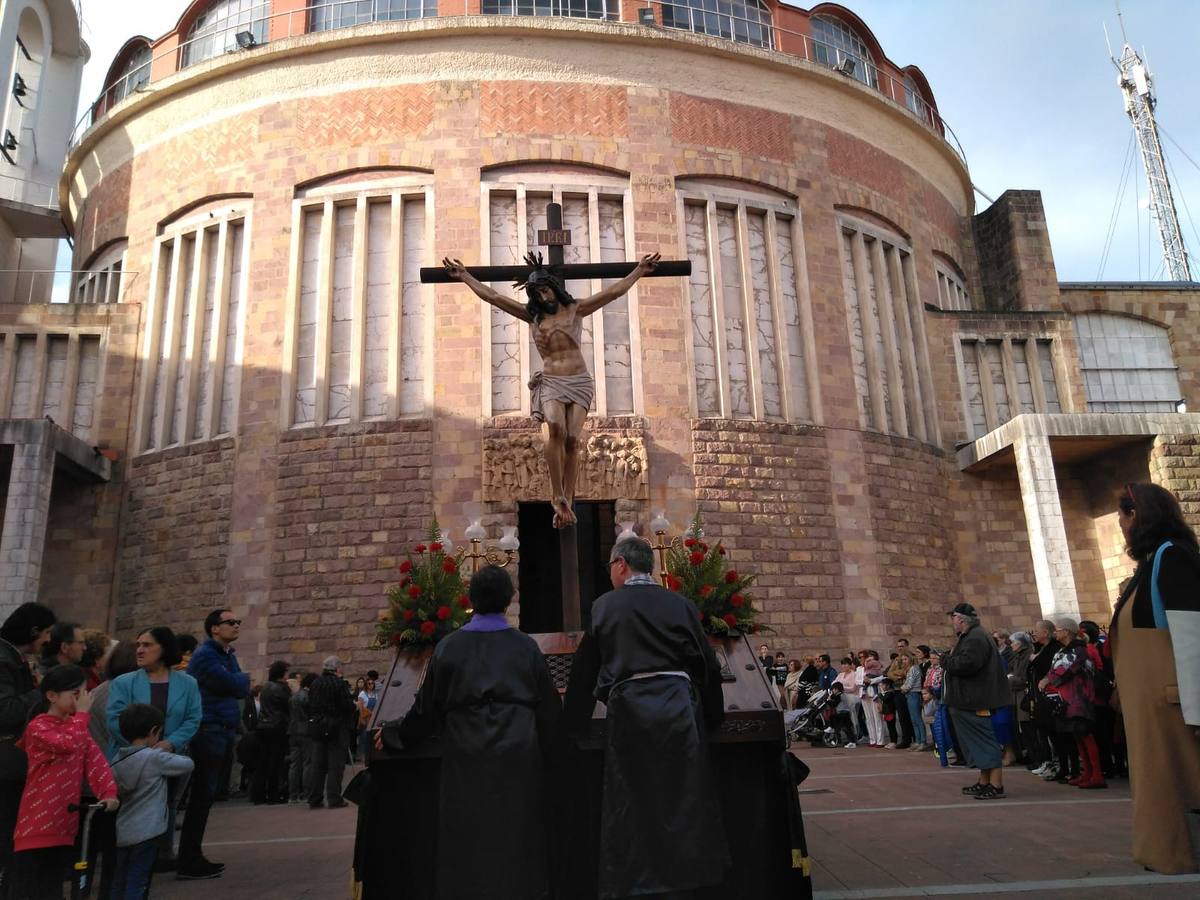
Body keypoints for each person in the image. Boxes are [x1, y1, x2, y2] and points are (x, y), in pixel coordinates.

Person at [377, 565, 563, 899]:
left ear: (471, 600)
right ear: (509, 600)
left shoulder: (449, 647)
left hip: (467, 760)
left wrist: (393, 734)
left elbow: (425, 711)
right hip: (518, 759)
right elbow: (549, 712)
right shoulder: (526, 648)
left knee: (468, 843)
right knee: (518, 840)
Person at [443, 251, 659, 527]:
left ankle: (568, 495)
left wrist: (639, 270)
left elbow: (614, 292)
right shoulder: (532, 317)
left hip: (579, 379)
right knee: (555, 429)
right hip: (553, 381)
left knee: (571, 440)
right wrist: (464, 276)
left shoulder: (575, 309)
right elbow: (493, 297)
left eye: (545, 289)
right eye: (537, 292)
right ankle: (556, 494)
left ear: (554, 288)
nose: (543, 296)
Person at [564, 536, 728, 899]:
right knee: (683, 797)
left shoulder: (605, 607)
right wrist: (713, 717)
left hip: (631, 712)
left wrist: (572, 725)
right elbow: (706, 665)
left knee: (633, 802)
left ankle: (638, 883)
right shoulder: (680, 604)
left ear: (621, 564)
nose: (610, 574)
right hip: (679, 710)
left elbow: (585, 669)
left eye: (610, 567)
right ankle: (689, 879)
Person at [1109, 482, 1200, 874]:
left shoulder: (1172, 558)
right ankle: (1163, 851)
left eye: (1124, 517)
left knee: (1177, 781)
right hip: (1151, 702)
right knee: (1157, 782)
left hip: (1171, 699)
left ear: (1139, 516)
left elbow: (1191, 633)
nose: (1121, 525)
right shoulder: (1149, 564)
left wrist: (1195, 705)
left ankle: (1176, 852)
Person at [8, 665, 118, 900]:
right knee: (27, 888)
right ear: (52, 696)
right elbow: (67, 745)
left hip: (64, 822)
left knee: (53, 885)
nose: (81, 703)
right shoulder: (38, 727)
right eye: (75, 695)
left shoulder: (76, 727)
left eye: (83, 695)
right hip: (36, 824)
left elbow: (96, 762)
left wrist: (108, 792)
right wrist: (82, 717)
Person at [178, 608, 249, 880]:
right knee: (201, 797)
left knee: (206, 797)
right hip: (209, 730)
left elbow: (237, 684)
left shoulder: (226, 654)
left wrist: (238, 682)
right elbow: (237, 684)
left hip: (221, 729)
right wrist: (240, 681)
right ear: (214, 628)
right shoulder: (207, 655)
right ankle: (189, 859)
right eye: (230, 622)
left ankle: (192, 856)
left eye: (238, 621)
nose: (236, 625)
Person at [110, 703, 195, 900]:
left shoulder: (116, 760)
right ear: (153, 731)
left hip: (124, 829)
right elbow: (187, 764)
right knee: (139, 880)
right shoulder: (153, 758)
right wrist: (162, 750)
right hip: (149, 829)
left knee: (121, 879)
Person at [0, 601, 56, 892]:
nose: (47, 640)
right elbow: (6, 711)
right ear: (33, 630)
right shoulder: (3, 658)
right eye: (46, 633)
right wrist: (40, 692)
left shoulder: (11, 656)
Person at [942, 603, 1010, 799]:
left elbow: (968, 664)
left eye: (953, 617)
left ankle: (996, 786)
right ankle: (984, 781)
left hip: (975, 699)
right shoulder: (973, 636)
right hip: (969, 699)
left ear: (961, 619)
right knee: (977, 742)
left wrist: (945, 661)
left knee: (984, 740)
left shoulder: (976, 637)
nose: (952, 622)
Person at [1040, 617, 1105, 790]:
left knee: (1085, 734)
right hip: (1068, 699)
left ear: (1067, 632)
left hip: (1079, 698)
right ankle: (1086, 773)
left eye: (1058, 630)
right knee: (1077, 735)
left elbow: (1062, 669)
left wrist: (1047, 679)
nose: (1056, 633)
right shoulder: (1066, 649)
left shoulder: (1078, 649)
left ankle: (1096, 774)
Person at [306, 657, 354, 809]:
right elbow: (346, 705)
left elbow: (310, 704)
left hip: (318, 727)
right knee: (335, 765)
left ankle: (314, 798)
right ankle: (334, 798)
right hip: (336, 727)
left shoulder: (315, 683)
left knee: (318, 765)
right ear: (337, 668)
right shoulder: (339, 684)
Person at [252, 661, 291, 805]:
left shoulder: (266, 687)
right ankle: (273, 794)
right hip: (277, 727)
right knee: (276, 763)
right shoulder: (282, 688)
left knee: (263, 762)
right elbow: (288, 706)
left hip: (263, 726)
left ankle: (258, 794)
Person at [288, 673, 316, 803]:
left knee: (294, 764)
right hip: (306, 731)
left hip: (293, 731)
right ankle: (306, 793)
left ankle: (293, 794)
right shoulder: (308, 697)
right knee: (307, 763)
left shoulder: (294, 697)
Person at [1007, 632, 1033, 766]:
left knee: (1028, 728)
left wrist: (1010, 679)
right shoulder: (1017, 656)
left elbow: (1022, 677)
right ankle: (1027, 755)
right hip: (1016, 694)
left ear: (1020, 643)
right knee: (1021, 727)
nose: (1011, 645)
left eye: (1013, 642)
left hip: (1023, 694)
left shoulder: (1026, 655)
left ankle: (1034, 756)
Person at [901, 649, 928, 751]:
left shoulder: (913, 668)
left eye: (905, 659)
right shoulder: (910, 669)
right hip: (910, 695)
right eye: (902, 659)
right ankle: (918, 740)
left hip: (914, 694)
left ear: (910, 659)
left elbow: (909, 684)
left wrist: (903, 689)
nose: (904, 661)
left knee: (917, 719)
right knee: (913, 719)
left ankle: (923, 741)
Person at [355, 677, 379, 759]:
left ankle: (371, 753)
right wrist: (361, 718)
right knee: (364, 736)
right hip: (365, 717)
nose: (371, 685)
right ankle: (361, 755)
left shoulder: (375, 694)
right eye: (369, 683)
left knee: (372, 735)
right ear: (366, 684)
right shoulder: (362, 694)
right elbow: (361, 707)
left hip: (373, 717)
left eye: (372, 683)